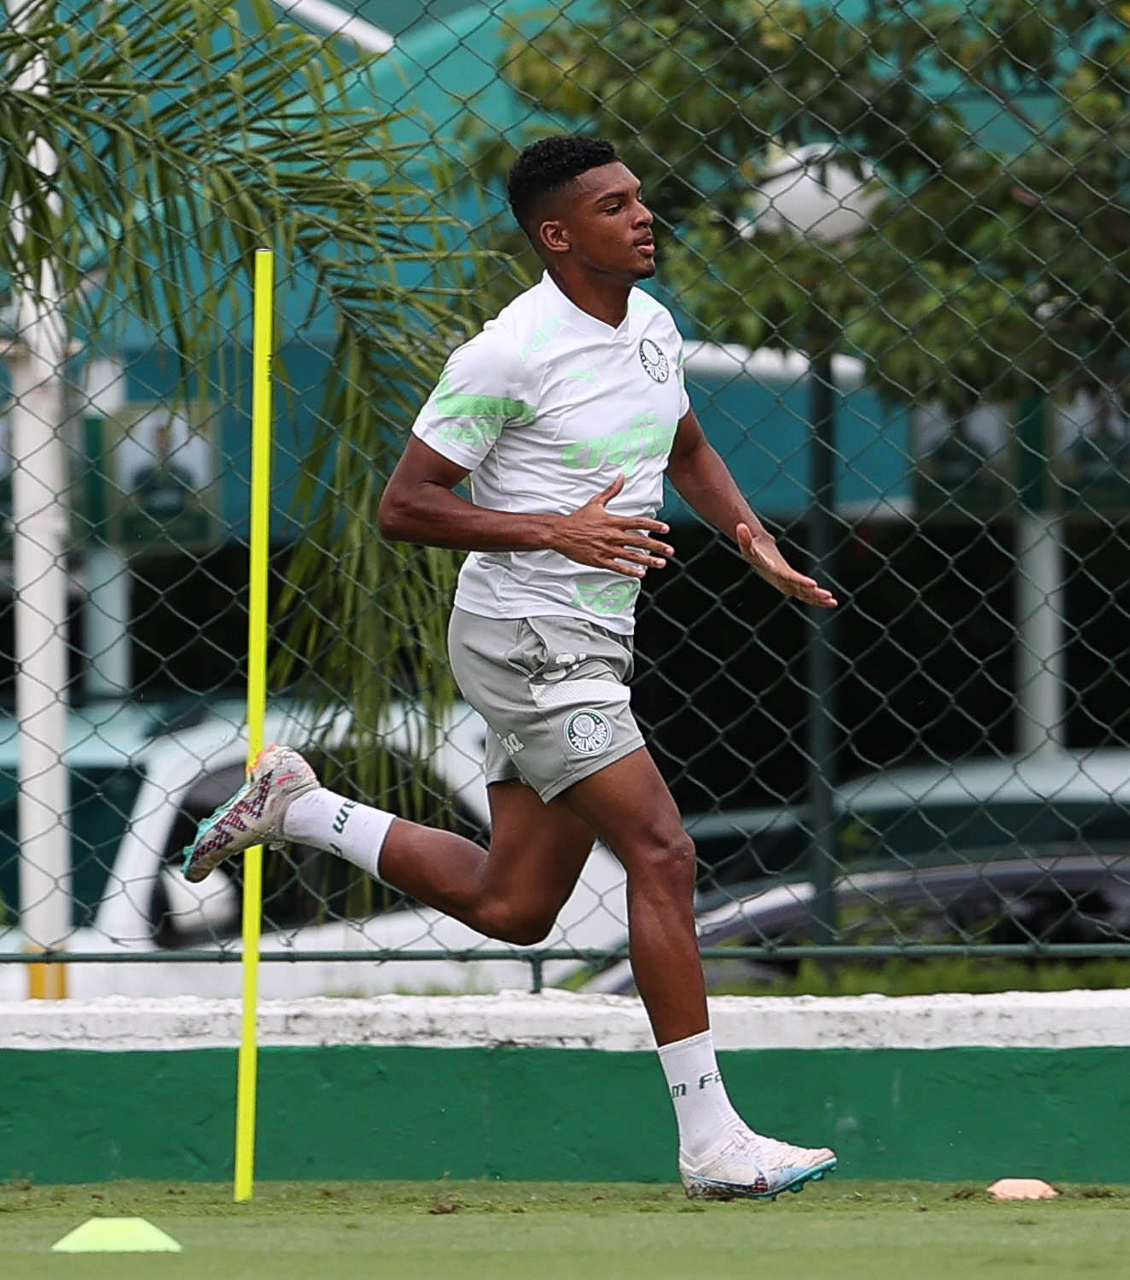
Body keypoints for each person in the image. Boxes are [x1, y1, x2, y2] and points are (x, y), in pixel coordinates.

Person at [183, 134, 839, 1201]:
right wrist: (553, 530)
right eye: (614, 206)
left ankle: (301, 808)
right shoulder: (505, 354)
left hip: (592, 638)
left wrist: (749, 535)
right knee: (663, 851)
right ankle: (713, 1143)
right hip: (528, 638)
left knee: (514, 903)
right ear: (557, 235)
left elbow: (685, 448)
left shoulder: (650, 325)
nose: (643, 216)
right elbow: (407, 504)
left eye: (639, 198)